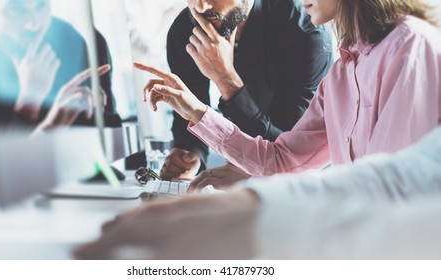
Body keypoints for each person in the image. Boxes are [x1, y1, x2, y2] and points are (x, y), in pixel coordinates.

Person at [136, 0, 441, 191]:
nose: (200, 7)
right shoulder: (341, 74)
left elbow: (392, 189)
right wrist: (197, 113)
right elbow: (281, 160)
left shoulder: (410, 45)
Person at [73, 123, 441, 259]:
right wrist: (256, 203)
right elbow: (408, 174)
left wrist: (274, 227)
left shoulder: (413, 47)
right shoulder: (343, 66)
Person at [160, 0, 333, 181]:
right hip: (235, 177)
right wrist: (188, 155)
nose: (201, 7)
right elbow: (188, 114)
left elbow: (290, 153)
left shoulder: (305, 35)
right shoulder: (185, 30)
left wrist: (226, 80)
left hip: (306, 184)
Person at [0, 0, 119, 128]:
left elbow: (108, 132)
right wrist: (29, 103)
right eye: (15, 9)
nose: (33, 24)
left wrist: (93, 111)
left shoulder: (80, 41)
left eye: (41, 4)